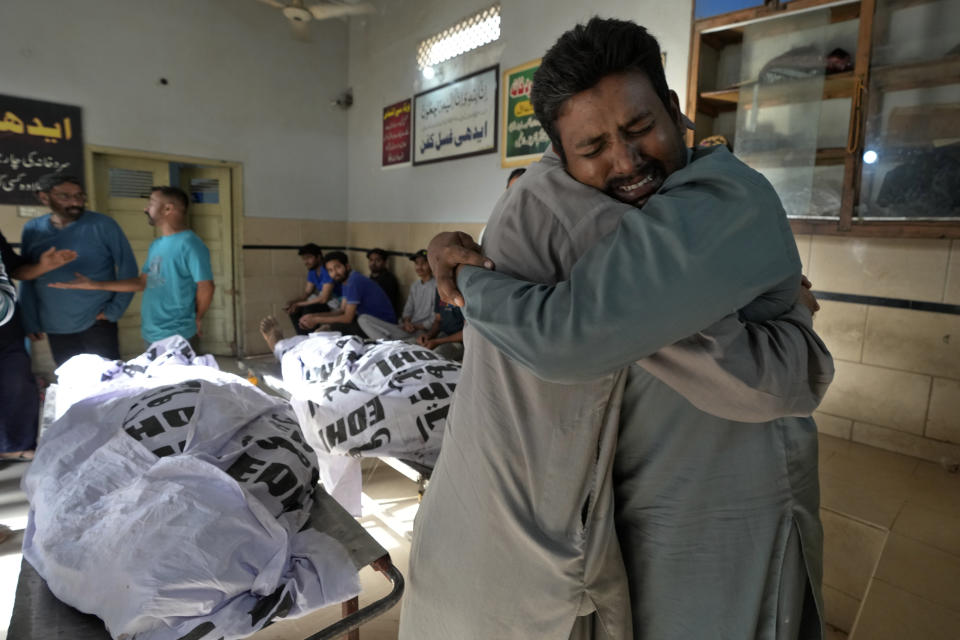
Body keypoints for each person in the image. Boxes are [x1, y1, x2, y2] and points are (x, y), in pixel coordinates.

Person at [401, 18, 832, 640]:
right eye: (593, 147)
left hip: (738, 490)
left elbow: (572, 338)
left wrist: (464, 278)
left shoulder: (720, 199)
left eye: (640, 128)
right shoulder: (578, 207)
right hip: (649, 494)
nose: (627, 161)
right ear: (557, 152)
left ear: (675, 109)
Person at [51, 186, 214, 350]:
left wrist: (198, 317)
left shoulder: (190, 244)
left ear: (168, 208)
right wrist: (94, 285)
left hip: (178, 333)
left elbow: (206, 286)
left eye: (151, 203)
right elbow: (142, 283)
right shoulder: (157, 244)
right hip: (152, 331)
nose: (146, 208)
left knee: (179, 376)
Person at [18, 174, 138, 365]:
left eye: (80, 196)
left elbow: (128, 269)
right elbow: (26, 275)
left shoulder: (103, 225)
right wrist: (29, 319)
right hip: (55, 324)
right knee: (71, 382)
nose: (75, 201)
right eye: (65, 196)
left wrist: (114, 311)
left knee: (109, 383)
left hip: (97, 322)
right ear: (43, 197)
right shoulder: (33, 229)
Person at [0, 229, 76, 462]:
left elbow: (16, 270)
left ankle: (13, 446)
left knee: (17, 385)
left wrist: (44, 267)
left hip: (7, 328)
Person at [298, 251, 396, 336]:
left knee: (332, 329)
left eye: (338, 267)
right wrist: (313, 316)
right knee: (326, 327)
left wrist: (317, 320)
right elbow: (342, 310)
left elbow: (347, 318)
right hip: (367, 322)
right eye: (330, 270)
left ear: (347, 266)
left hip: (383, 326)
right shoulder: (345, 281)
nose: (335, 273)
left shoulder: (354, 281)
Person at [358, 249, 436, 341]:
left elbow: (436, 318)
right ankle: (388, 343)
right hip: (406, 329)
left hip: (422, 331)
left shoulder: (438, 286)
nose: (419, 267)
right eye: (417, 263)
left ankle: (387, 344)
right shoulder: (415, 286)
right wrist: (407, 323)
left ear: (432, 264)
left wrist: (416, 326)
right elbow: (408, 310)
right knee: (363, 319)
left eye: (423, 263)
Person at [285, 243, 342, 335]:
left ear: (318, 257)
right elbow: (307, 292)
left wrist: (299, 303)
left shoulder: (327, 269)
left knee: (309, 309)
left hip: (336, 304)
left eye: (308, 258)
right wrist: (294, 302)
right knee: (294, 310)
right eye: (304, 259)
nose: (306, 262)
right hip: (324, 302)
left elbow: (324, 298)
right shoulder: (312, 271)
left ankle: (311, 339)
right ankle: (303, 339)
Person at [416, 289, 464, 361]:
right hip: (441, 336)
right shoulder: (440, 288)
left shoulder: (463, 290)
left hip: (459, 342)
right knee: (413, 350)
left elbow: (467, 332)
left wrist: (437, 342)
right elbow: (438, 320)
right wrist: (429, 335)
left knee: (431, 358)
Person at [366, 248, 402, 315]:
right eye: (371, 260)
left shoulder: (388, 280)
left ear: (384, 262)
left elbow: (381, 304)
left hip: (383, 315)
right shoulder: (371, 277)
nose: (373, 263)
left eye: (377, 260)